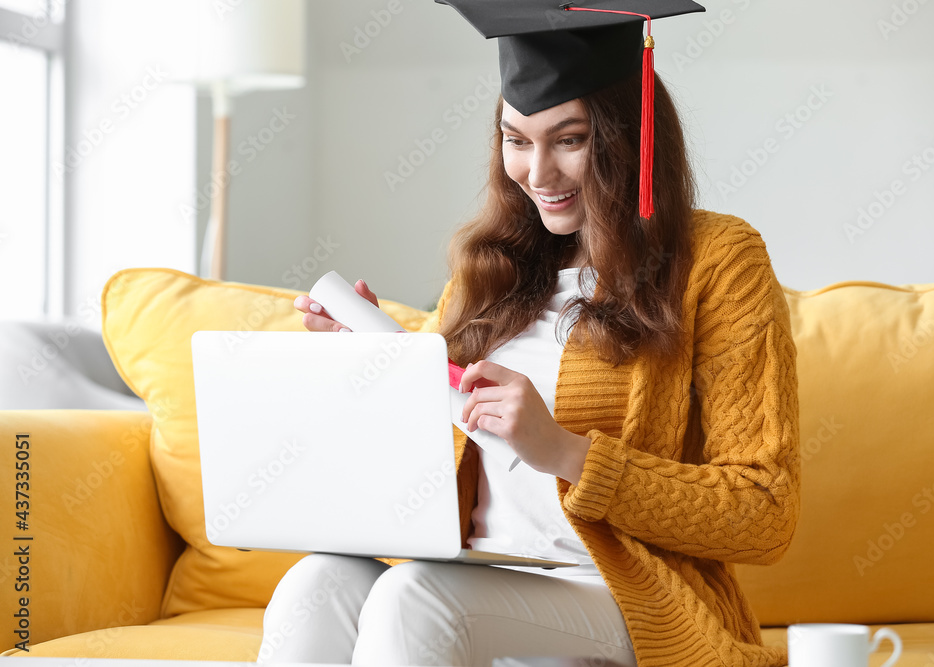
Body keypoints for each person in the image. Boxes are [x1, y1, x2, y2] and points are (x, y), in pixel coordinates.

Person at [260, 1, 800, 665]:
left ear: (628, 134)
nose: (537, 174)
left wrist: (567, 452)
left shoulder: (718, 260)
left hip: (623, 599)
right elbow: (428, 445)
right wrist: (366, 367)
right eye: (517, 140)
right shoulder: (488, 270)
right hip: (471, 577)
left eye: (569, 140)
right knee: (315, 583)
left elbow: (764, 509)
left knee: (415, 596)